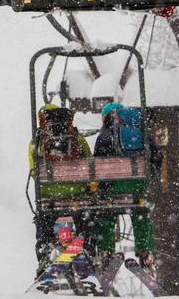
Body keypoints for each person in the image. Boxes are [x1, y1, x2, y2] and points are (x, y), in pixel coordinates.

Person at [90, 103, 155, 269]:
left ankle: (106, 251)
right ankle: (145, 251)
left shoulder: (105, 135)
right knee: (141, 215)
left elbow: (97, 166)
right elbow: (156, 156)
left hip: (113, 189)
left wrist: (102, 189)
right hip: (137, 187)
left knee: (106, 215)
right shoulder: (140, 132)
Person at [30, 105, 92, 272]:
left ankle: (46, 251)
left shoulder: (37, 144)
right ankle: (86, 248)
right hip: (77, 195)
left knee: (43, 221)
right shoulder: (77, 139)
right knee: (87, 219)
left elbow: (35, 173)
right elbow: (90, 165)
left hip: (50, 195)